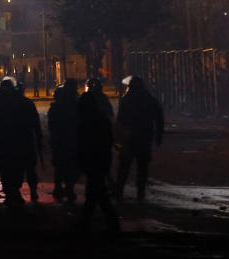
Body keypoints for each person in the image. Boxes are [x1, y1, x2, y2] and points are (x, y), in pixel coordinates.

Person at [115, 76, 164, 202]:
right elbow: (159, 117)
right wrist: (158, 135)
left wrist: (118, 139)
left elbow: (120, 120)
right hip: (144, 136)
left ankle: (119, 190)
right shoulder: (149, 99)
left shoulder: (126, 100)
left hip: (129, 137)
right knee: (142, 167)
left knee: (124, 166)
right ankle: (140, 193)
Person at [0, 78, 40, 205]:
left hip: (7, 144)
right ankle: (28, 191)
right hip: (23, 142)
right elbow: (36, 124)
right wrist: (39, 140)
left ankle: (12, 193)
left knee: (9, 170)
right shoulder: (26, 103)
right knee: (27, 168)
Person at [78, 88, 119, 233]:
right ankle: (108, 222)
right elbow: (109, 141)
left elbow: (81, 143)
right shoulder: (101, 120)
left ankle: (87, 223)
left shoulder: (84, 122)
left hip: (93, 160)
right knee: (97, 192)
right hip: (101, 160)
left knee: (95, 193)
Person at [48, 80, 80, 202]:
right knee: (70, 165)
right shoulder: (76, 104)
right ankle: (68, 189)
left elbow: (51, 124)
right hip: (70, 139)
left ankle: (60, 188)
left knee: (61, 165)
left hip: (61, 139)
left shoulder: (58, 105)